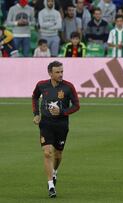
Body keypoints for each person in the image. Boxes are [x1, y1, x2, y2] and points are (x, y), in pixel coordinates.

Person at [32, 61, 80, 198]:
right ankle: (51, 185)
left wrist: (62, 112)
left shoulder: (68, 87)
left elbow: (76, 106)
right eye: (57, 72)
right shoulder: (41, 85)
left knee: (58, 155)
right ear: (50, 73)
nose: (60, 74)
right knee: (47, 153)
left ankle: (54, 172)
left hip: (61, 125)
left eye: (62, 71)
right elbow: (34, 97)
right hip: (46, 123)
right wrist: (36, 114)